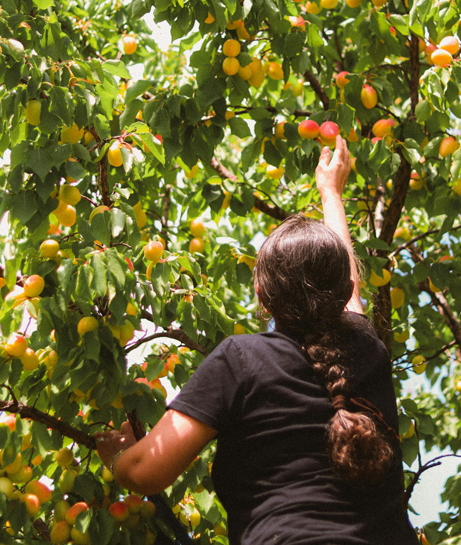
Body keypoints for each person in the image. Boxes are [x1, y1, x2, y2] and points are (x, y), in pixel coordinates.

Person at [96, 136, 418, 545]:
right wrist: (331, 192)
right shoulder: (366, 351)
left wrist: (119, 461)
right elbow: (350, 285)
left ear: (262, 298)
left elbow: (146, 472)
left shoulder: (241, 359)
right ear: (341, 292)